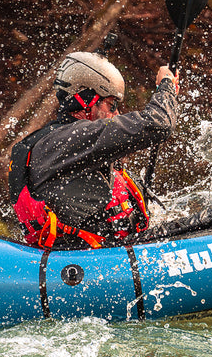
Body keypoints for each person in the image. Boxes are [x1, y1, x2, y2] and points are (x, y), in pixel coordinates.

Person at [9, 52, 178, 249]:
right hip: (94, 257)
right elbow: (159, 123)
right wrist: (166, 85)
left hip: (96, 250)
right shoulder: (75, 137)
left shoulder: (55, 140)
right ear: (86, 102)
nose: (117, 113)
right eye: (112, 105)